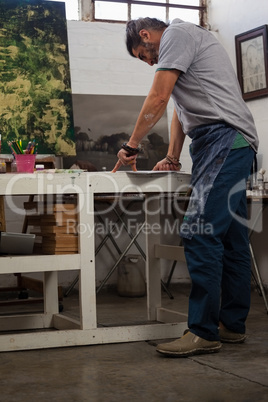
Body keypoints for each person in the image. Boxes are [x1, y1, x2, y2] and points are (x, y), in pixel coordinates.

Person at [112, 17, 259, 357]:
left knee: (199, 230)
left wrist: (132, 145)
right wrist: (173, 157)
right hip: (223, 143)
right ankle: (232, 326)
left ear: (146, 36)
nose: (148, 62)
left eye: (142, 54)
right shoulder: (184, 55)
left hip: (226, 139)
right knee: (232, 239)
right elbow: (179, 110)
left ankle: (203, 332)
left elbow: (159, 96)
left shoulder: (177, 33)